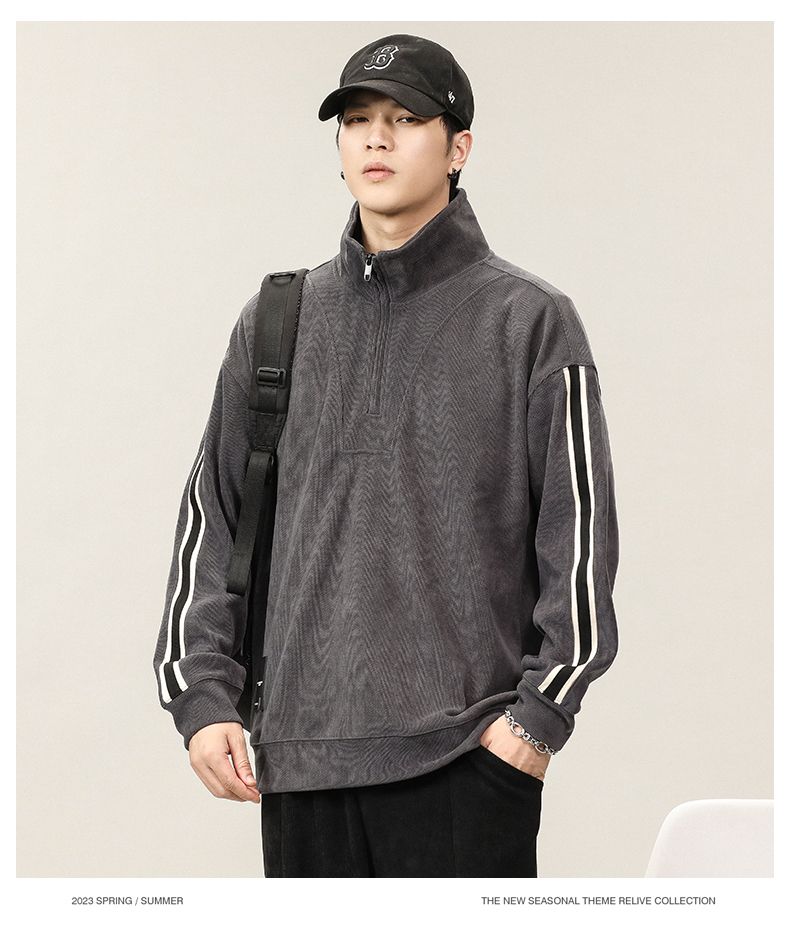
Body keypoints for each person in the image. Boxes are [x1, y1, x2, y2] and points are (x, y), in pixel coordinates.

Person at [152, 33, 620, 878]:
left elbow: (579, 540)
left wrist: (535, 722)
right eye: (357, 119)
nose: (376, 137)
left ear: (458, 147)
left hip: (463, 764)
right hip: (300, 764)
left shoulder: (530, 321)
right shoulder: (278, 320)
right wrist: (201, 694)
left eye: (405, 118)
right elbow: (212, 519)